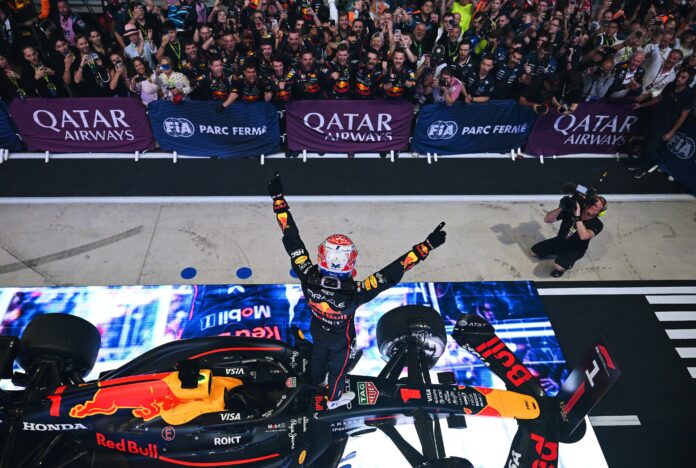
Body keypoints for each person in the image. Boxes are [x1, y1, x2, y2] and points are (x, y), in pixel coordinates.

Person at [267, 172, 447, 409]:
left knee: (318, 354)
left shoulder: (306, 273)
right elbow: (393, 272)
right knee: (339, 369)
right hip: (340, 341)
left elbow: (292, 240)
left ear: (322, 255)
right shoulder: (357, 291)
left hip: (317, 329)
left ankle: (316, 378)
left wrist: (278, 199)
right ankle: (334, 399)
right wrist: (426, 247)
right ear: (350, 262)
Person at [630, 69, 696, 179]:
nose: (679, 78)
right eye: (679, 75)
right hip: (655, 118)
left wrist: (671, 132)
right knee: (645, 142)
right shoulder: (671, 86)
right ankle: (638, 163)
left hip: (665, 125)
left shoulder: (689, 95)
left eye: (683, 77)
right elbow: (659, 99)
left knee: (651, 147)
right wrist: (642, 105)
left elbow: (683, 116)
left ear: (689, 80)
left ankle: (642, 168)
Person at [531, 194, 607, 277]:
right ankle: (560, 253)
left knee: (559, 267)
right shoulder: (571, 210)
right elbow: (547, 220)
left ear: (600, 212)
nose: (592, 206)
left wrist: (577, 217)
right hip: (559, 241)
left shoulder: (597, 224)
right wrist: (562, 207)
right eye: (592, 203)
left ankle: (564, 260)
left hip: (575, 249)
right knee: (533, 252)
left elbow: (584, 236)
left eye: (596, 206)